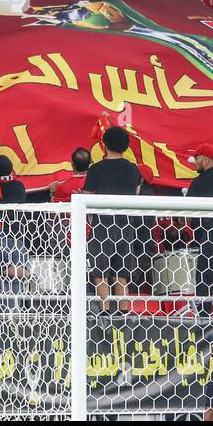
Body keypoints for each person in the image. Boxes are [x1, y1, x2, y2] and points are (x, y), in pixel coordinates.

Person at [83, 125, 144, 312]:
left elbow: (87, 195)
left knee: (100, 273)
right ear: (126, 147)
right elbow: (136, 194)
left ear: (104, 145)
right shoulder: (133, 169)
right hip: (125, 223)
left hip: (103, 224)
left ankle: (105, 311)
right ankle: (124, 313)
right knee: (122, 273)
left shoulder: (96, 169)